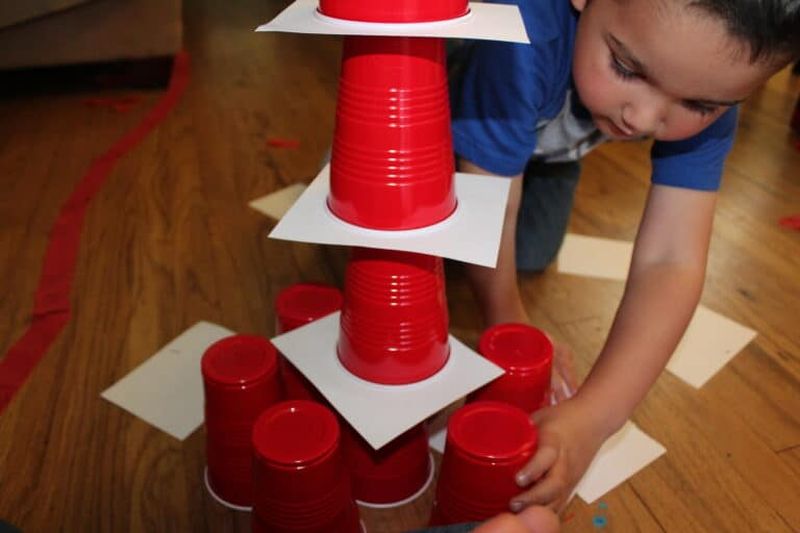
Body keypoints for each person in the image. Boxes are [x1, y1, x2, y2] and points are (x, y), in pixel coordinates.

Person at [450, 0, 799, 516]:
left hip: (549, 146)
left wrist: (594, 418)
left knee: (533, 251)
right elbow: (490, 211)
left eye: (699, 105)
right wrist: (512, 323)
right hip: (446, 115)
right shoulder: (523, 34)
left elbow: (672, 259)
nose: (642, 118)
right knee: (421, 243)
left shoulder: (712, 76)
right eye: (627, 69)